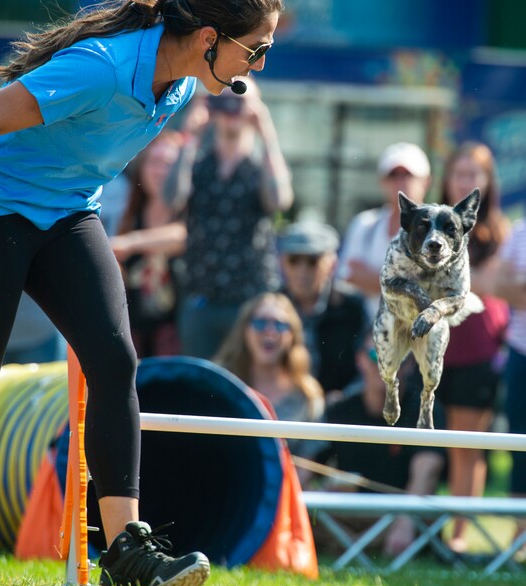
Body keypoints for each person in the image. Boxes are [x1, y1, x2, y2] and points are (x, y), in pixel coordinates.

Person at [0, 0, 283, 586]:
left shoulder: (175, 87)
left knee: (115, 360)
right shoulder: (102, 66)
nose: (255, 66)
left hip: (69, 212)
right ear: (208, 36)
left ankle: (126, 550)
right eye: (255, 48)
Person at [164, 75, 293, 359]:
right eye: (223, 101)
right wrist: (190, 136)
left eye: (240, 101)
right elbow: (171, 199)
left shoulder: (261, 167)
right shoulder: (198, 165)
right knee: (199, 387)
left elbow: (279, 201)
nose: (231, 109)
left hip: (251, 301)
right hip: (202, 298)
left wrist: (267, 133)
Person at [435, 142, 510, 554]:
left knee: (467, 447)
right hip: (436, 347)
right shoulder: (432, 221)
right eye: (459, 172)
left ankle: (459, 535)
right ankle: (444, 530)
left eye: (473, 174)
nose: (465, 181)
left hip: (478, 349)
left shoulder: (499, 231)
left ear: (486, 182)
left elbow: (485, 283)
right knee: (446, 448)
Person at [311, 335, 446, 557]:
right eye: (376, 355)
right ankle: (359, 544)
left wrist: (404, 522)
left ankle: (351, 545)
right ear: (359, 360)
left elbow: (427, 472)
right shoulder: (339, 410)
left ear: (411, 364)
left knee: (430, 513)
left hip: (404, 514)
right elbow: (307, 469)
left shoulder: (427, 409)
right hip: (349, 514)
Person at [214, 291, 325, 464]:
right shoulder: (220, 383)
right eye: (260, 323)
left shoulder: (308, 395)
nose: (270, 331)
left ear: (292, 335)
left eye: (280, 324)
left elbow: (307, 465)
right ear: (244, 331)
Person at [336, 141, 432, 320]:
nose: (400, 182)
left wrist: (368, 278)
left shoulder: (438, 228)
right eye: (393, 175)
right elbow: (346, 274)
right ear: (382, 182)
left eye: (408, 175)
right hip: (367, 337)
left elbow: (431, 288)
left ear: (426, 181)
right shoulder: (364, 224)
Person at [112, 130, 187, 357]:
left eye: (169, 164)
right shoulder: (129, 214)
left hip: (177, 335)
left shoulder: (187, 215)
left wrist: (129, 243)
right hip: (134, 333)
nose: (161, 171)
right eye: (155, 162)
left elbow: (184, 236)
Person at [277, 220, 368, 401]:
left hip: (338, 416)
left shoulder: (353, 307)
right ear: (282, 263)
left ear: (332, 264)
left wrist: (344, 399)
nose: (302, 270)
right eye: (294, 260)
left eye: (312, 261)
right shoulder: (270, 308)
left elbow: (369, 367)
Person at [494, 211, 526, 546]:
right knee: (519, 448)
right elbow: (497, 285)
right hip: (521, 352)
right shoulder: (521, 231)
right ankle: (520, 539)